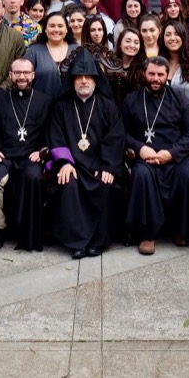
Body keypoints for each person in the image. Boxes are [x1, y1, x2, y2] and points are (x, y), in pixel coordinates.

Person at [49, 51, 126, 259]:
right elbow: (56, 137)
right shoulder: (61, 107)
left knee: (105, 183)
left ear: (96, 79)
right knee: (69, 183)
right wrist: (64, 162)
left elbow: (116, 138)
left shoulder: (109, 107)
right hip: (73, 165)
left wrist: (108, 166)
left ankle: (98, 242)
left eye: (88, 77)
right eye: (79, 77)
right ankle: (76, 243)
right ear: (72, 80)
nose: (84, 81)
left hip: (99, 164)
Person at [122, 57, 189, 254]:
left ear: (167, 76)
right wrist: (140, 148)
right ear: (144, 74)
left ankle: (182, 230)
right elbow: (122, 133)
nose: (155, 79)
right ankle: (147, 235)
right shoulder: (131, 99)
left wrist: (172, 153)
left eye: (160, 74)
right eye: (152, 74)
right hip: (145, 158)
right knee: (141, 176)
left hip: (175, 156)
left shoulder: (180, 99)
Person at [0, 58, 54, 251]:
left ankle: (29, 234)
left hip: (30, 156)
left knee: (33, 177)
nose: (22, 77)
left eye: (26, 73)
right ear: (10, 75)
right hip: (4, 156)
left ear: (33, 75)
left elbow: (52, 132)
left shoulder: (45, 100)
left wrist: (43, 151)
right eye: (17, 73)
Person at [24, 11, 76, 98]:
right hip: (41, 107)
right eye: (52, 26)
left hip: (71, 107)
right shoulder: (33, 51)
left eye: (60, 26)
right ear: (45, 29)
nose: (56, 30)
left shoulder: (77, 49)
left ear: (66, 29)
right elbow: (25, 79)